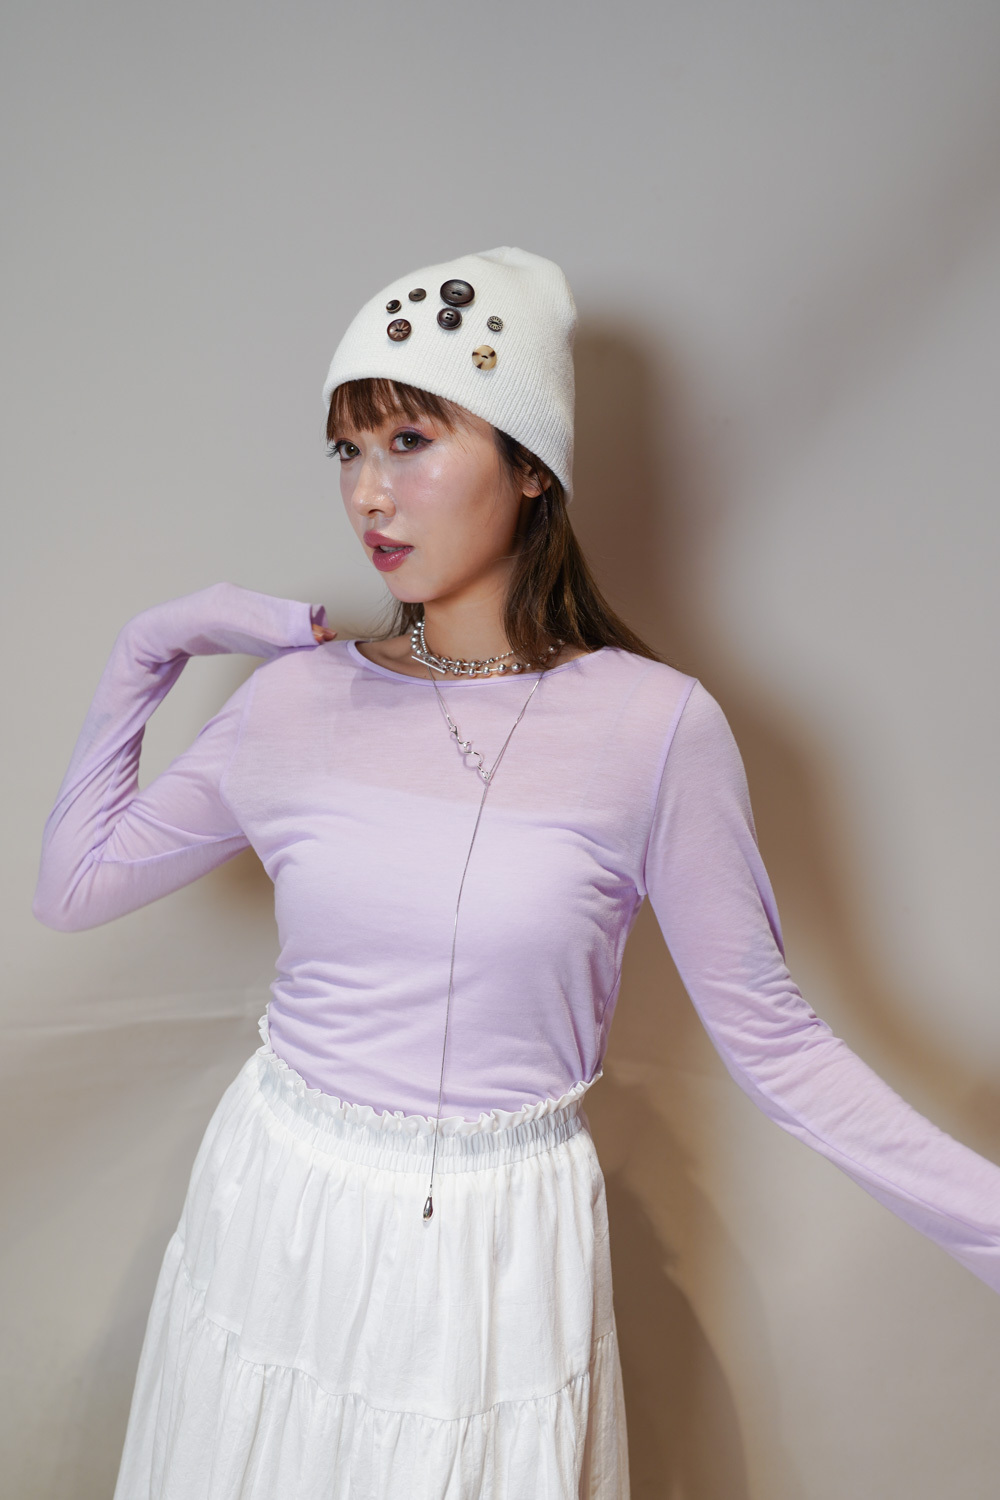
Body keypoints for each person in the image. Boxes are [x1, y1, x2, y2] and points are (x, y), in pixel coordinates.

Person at [34, 247, 1000, 1500]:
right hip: (278, 1212)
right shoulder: (293, 702)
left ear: (531, 463)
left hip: (498, 1256)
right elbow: (76, 886)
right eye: (347, 450)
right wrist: (143, 655)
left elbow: (778, 1043)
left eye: (410, 441)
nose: (368, 493)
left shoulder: (656, 728)